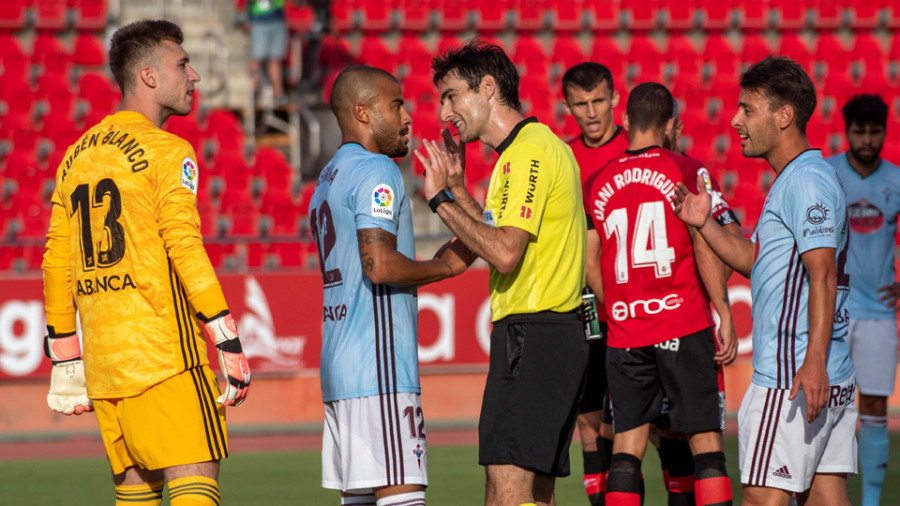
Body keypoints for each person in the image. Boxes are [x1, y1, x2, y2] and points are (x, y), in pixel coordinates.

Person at [42, 19, 251, 506]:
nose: (194, 75)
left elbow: (57, 261)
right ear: (150, 77)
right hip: (165, 360)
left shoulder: (74, 157)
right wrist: (225, 334)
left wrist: (65, 352)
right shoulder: (168, 150)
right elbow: (182, 243)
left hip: (106, 370)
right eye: (182, 64)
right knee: (195, 491)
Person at [674, 56, 857, 506]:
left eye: (747, 109)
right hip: (823, 377)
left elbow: (823, 273)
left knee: (762, 500)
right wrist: (705, 225)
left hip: (790, 380)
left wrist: (811, 362)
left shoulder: (806, 184)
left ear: (784, 116)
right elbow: (759, 261)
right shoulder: (796, 179)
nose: (735, 120)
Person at [416, 40, 589, 506]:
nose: (444, 110)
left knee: (505, 489)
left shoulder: (526, 155)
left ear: (487, 88)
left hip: (533, 334)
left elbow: (505, 253)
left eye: (451, 95)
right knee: (536, 493)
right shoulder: (539, 146)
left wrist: (439, 201)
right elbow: (497, 234)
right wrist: (458, 190)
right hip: (553, 336)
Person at [309, 64, 475, 506]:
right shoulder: (376, 169)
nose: (407, 117)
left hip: (340, 367)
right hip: (377, 365)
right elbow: (378, 265)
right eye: (395, 104)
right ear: (362, 113)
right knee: (403, 495)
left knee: (361, 500)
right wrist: (444, 267)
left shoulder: (327, 179)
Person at [583, 82, 736, 506]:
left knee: (625, 450)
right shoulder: (686, 169)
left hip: (628, 332)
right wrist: (722, 309)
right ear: (670, 124)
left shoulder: (597, 181)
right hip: (683, 323)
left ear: (625, 121)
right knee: (705, 445)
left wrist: (617, 312)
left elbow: (590, 262)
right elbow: (705, 245)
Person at [826, 94, 900, 506]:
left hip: (878, 314)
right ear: (847, 132)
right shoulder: (827, 174)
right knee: (824, 404)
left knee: (873, 405)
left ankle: (870, 502)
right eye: (860, 131)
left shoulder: (896, 179)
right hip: (831, 312)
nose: (868, 139)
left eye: (875, 131)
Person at [246, 0, 288, 107]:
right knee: (257, 58)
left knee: (276, 59)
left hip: (278, 20)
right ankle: (253, 92)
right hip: (260, 21)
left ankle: (278, 94)